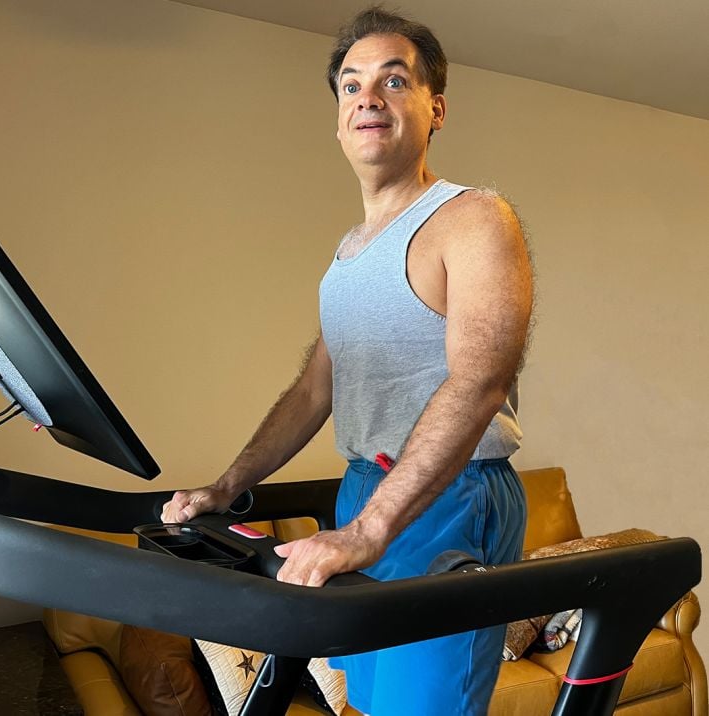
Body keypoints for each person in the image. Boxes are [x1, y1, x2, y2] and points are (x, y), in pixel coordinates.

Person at [162, 6, 533, 714]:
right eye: (352, 86)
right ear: (338, 121)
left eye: (395, 81)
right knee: (361, 702)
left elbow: (481, 382)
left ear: (436, 108)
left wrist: (369, 530)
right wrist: (224, 487)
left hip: (449, 495)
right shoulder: (347, 255)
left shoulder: (474, 218)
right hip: (362, 485)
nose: (369, 96)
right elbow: (314, 388)